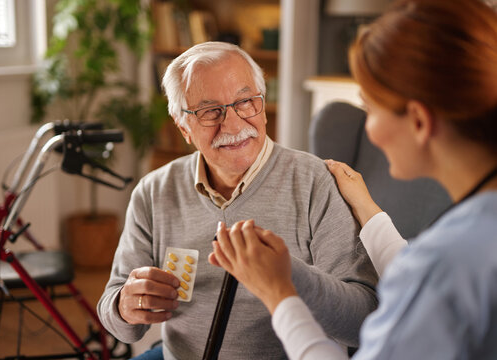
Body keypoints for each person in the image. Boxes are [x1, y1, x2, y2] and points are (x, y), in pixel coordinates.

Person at [209, 0, 497, 358]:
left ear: (419, 122)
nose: (368, 131)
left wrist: (279, 293)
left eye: (369, 108)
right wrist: (368, 209)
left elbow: (428, 278)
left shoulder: (443, 266)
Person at [97, 41, 379, 359]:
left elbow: (364, 320)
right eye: (210, 112)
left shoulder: (316, 183)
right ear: (183, 127)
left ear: (262, 104)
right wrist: (125, 307)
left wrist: (287, 275)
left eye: (245, 102)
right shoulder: (153, 191)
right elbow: (116, 317)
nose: (232, 125)